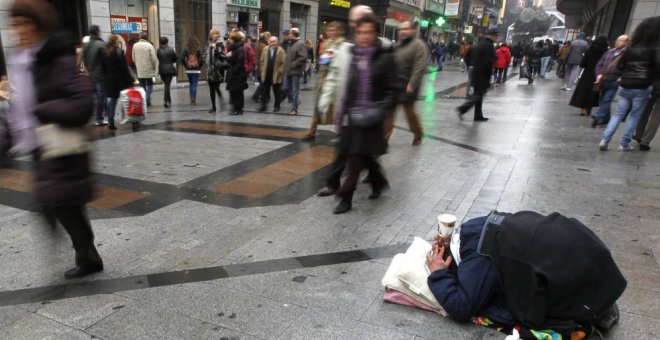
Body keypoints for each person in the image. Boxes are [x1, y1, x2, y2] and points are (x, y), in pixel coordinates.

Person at [8, 0, 102, 279]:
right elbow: (19, 108)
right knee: (60, 203)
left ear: (39, 26)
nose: (20, 30)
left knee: (61, 203)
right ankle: (87, 255)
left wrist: (43, 110)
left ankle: (87, 256)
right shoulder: (23, 60)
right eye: (15, 24)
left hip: (61, 148)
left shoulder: (55, 59)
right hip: (43, 146)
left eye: (26, 23)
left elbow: (83, 105)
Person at [426, 211, 624, 338]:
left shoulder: (478, 255)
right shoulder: (479, 225)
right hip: (602, 269)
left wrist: (439, 273)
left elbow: (462, 307)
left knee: (491, 308)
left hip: (588, 295)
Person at [318, 14, 396, 214]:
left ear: (376, 34)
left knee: (354, 160)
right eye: (360, 32)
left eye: (368, 32)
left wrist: (380, 108)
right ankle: (378, 182)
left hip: (372, 119)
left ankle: (346, 197)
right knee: (365, 157)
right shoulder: (354, 55)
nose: (364, 36)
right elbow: (348, 89)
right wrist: (340, 114)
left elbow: (393, 90)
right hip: (353, 117)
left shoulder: (385, 58)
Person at [599, 17, 658, 151]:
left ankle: (605, 139)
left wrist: (623, 76)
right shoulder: (653, 50)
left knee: (618, 114)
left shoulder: (630, 48)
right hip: (642, 86)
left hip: (625, 85)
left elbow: (619, 66)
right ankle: (624, 143)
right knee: (635, 115)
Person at [384, 19, 427, 145]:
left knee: (410, 114)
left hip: (408, 87)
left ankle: (418, 133)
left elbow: (419, 66)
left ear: (412, 30)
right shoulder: (396, 45)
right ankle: (384, 139)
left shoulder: (418, 45)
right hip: (394, 85)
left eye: (405, 29)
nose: (402, 32)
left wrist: (412, 84)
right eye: (400, 29)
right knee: (389, 113)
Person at [304, 21, 346, 139]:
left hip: (335, 79)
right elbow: (323, 60)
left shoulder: (341, 44)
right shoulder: (328, 43)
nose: (331, 32)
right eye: (329, 30)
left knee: (338, 107)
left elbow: (326, 59)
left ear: (339, 31)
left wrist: (326, 57)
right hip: (324, 79)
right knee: (318, 106)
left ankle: (342, 132)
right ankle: (312, 130)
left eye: (334, 30)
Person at [457, 29, 499, 121]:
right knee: (479, 95)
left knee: (479, 95)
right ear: (492, 35)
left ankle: (478, 115)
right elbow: (487, 61)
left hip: (478, 72)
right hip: (482, 74)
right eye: (497, 36)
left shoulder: (482, 43)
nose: (498, 38)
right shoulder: (488, 44)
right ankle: (462, 109)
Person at [591, 35, 629, 127]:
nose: (617, 42)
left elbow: (627, 68)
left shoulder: (627, 54)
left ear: (626, 43)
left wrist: (621, 78)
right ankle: (606, 118)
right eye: (617, 40)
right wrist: (599, 74)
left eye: (621, 41)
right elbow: (599, 64)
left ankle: (598, 116)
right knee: (602, 98)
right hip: (603, 80)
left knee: (607, 99)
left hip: (614, 81)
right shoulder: (609, 52)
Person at [570, 35, 609, 116]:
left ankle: (583, 109)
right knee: (594, 92)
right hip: (599, 75)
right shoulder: (606, 53)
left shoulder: (590, 51)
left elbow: (583, 64)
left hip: (587, 74)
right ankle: (589, 107)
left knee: (584, 91)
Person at [102, 34, 133, 130]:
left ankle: (110, 121)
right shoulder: (119, 52)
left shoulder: (105, 52)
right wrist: (129, 81)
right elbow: (124, 68)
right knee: (124, 99)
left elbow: (103, 68)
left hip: (109, 79)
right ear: (116, 41)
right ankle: (130, 118)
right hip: (119, 80)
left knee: (112, 100)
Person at [82, 25, 106, 126]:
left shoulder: (86, 45)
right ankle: (99, 118)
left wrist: (87, 69)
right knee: (101, 96)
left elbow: (83, 58)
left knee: (98, 95)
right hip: (100, 74)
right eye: (100, 31)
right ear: (97, 32)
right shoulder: (101, 44)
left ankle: (101, 116)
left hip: (91, 74)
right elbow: (106, 59)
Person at [282, 28, 307, 115]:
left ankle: (294, 109)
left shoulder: (300, 44)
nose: (288, 34)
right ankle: (296, 101)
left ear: (292, 34)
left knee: (295, 90)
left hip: (296, 71)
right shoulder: (290, 44)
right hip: (288, 70)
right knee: (285, 88)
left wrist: (294, 64)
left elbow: (303, 57)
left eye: (289, 33)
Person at [259, 36, 285, 113]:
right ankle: (263, 106)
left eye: (274, 41)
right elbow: (262, 61)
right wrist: (262, 69)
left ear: (277, 42)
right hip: (266, 74)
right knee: (264, 92)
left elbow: (283, 63)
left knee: (277, 92)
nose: (273, 43)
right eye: (271, 41)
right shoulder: (265, 49)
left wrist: (280, 71)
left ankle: (277, 106)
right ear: (268, 42)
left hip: (276, 75)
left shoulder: (281, 51)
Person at [132, 33, 158, 106]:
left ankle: (144, 99)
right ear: (147, 38)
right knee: (149, 84)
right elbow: (153, 58)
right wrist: (154, 67)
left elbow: (133, 58)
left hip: (139, 69)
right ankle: (146, 97)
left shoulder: (135, 45)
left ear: (140, 37)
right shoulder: (149, 45)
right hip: (148, 68)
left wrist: (137, 65)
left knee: (142, 85)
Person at [226, 31, 247, 115]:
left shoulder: (240, 49)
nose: (228, 40)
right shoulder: (233, 48)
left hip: (238, 74)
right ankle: (236, 108)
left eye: (230, 38)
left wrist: (233, 70)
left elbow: (240, 62)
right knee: (233, 92)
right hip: (233, 73)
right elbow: (231, 61)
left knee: (238, 92)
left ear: (234, 39)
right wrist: (228, 57)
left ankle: (239, 109)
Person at [206, 28, 226, 113]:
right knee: (211, 88)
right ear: (211, 35)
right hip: (210, 69)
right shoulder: (209, 44)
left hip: (217, 70)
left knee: (216, 87)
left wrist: (216, 49)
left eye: (217, 34)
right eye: (214, 34)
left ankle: (221, 100)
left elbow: (223, 55)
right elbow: (206, 54)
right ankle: (213, 107)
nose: (216, 35)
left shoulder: (220, 44)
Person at [181, 36, 204, 106]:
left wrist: (186, 66)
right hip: (196, 69)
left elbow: (182, 58)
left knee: (191, 83)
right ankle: (193, 99)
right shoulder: (199, 49)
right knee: (194, 84)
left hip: (189, 69)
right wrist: (199, 66)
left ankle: (191, 98)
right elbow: (202, 59)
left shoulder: (185, 49)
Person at [156, 36, 177, 108]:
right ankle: (165, 100)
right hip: (169, 69)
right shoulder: (171, 49)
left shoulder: (158, 50)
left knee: (166, 85)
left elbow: (158, 58)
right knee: (167, 86)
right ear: (167, 42)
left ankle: (169, 100)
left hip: (161, 69)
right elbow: (175, 58)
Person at [252, 32, 270, 103]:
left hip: (258, 66)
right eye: (266, 38)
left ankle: (263, 96)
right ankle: (256, 96)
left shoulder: (257, 45)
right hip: (262, 67)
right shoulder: (263, 46)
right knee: (263, 83)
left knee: (263, 83)